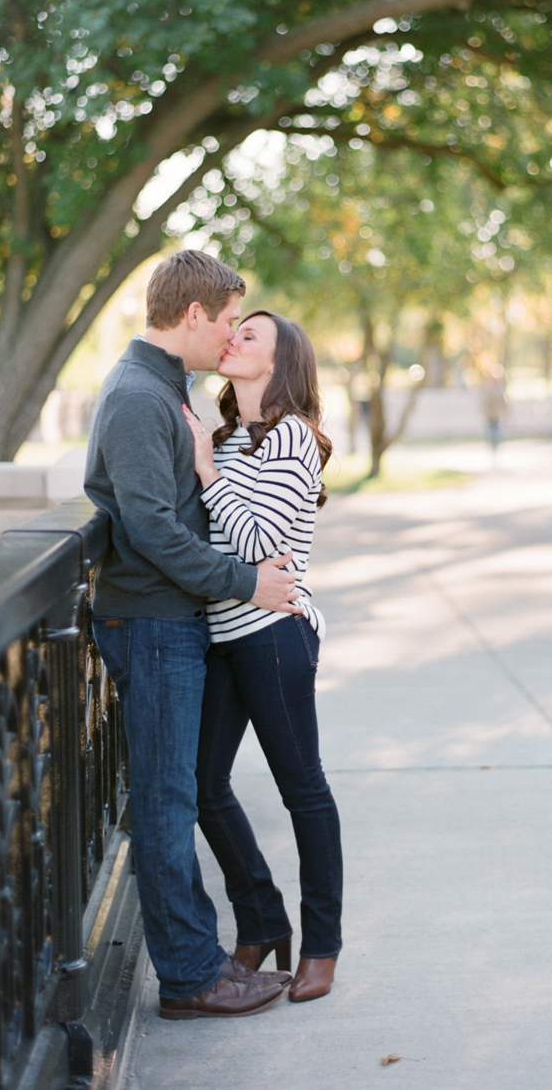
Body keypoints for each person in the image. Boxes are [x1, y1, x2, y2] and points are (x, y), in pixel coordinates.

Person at [85, 250, 301, 1019]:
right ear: (193, 315)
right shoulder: (140, 396)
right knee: (167, 803)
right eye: (228, 319)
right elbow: (150, 530)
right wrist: (249, 581)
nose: (232, 335)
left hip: (170, 619)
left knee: (175, 795)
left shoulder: (160, 386)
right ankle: (190, 976)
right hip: (151, 622)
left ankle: (202, 959)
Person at [183, 310, 343, 1004]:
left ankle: (323, 944)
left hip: (274, 637)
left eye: (251, 336)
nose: (233, 339)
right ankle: (260, 915)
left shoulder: (291, 438)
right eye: (234, 330)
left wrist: (205, 470)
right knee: (200, 784)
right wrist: (212, 458)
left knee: (301, 787)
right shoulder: (228, 436)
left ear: (280, 364)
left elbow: (255, 542)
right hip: (223, 634)